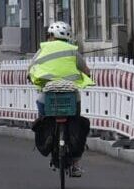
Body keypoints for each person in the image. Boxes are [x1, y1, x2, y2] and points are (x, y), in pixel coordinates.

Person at [28, 20, 94, 177]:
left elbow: (30, 69)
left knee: (44, 116)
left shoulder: (42, 50)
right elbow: (86, 71)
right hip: (71, 97)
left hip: (48, 97)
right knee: (76, 122)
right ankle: (76, 163)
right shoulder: (72, 51)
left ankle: (49, 140)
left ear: (51, 36)